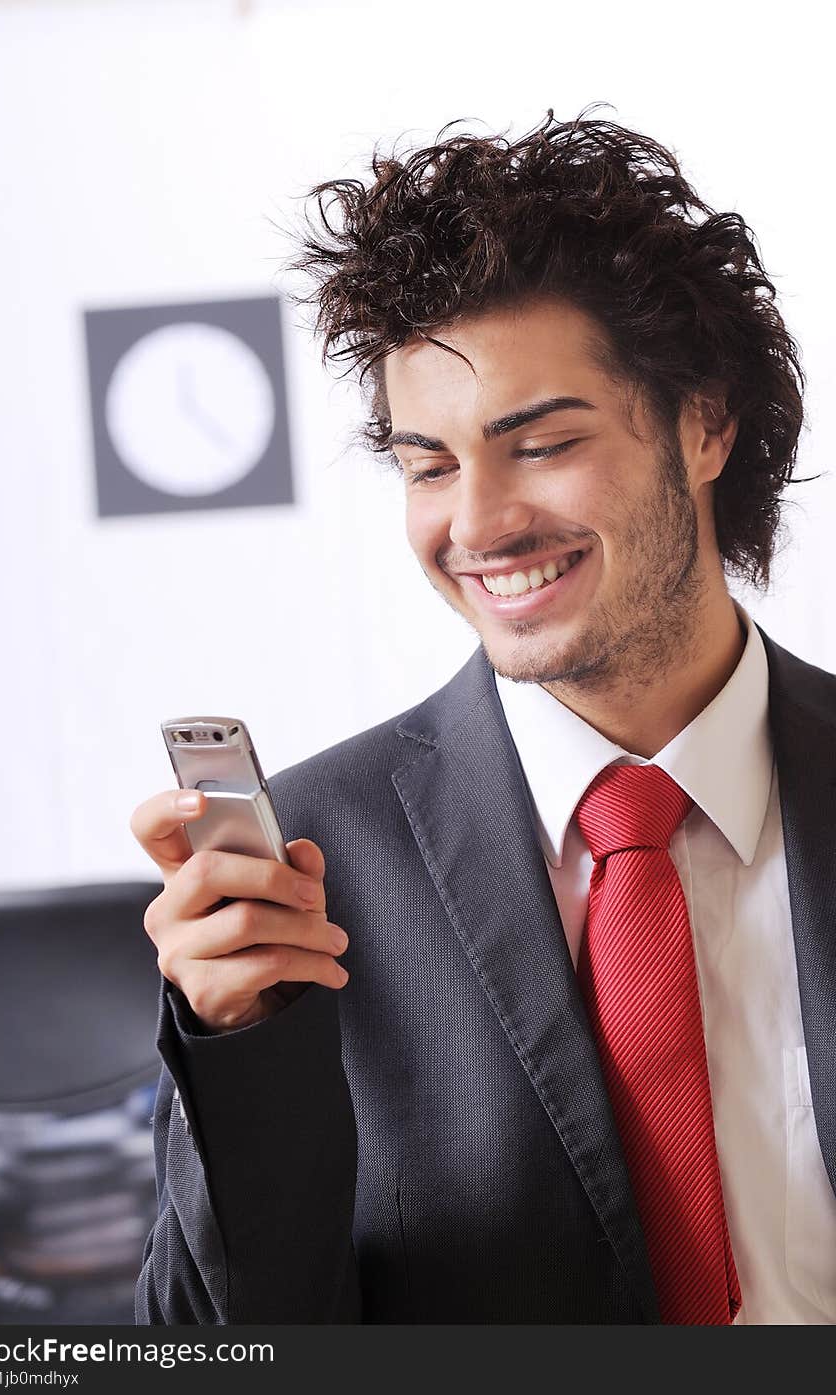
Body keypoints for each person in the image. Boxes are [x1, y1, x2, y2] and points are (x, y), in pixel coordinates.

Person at [131, 108, 836, 1325]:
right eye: (429, 465)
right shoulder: (313, 862)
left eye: (544, 443)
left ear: (705, 426)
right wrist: (238, 1051)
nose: (480, 524)